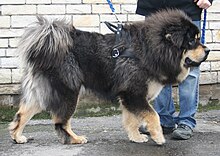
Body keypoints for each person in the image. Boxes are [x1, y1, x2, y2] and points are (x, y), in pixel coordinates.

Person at [136, 0, 213, 140]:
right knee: (158, 68)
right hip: (154, 10)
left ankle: (186, 121)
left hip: (187, 9)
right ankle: (164, 119)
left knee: (190, 66)